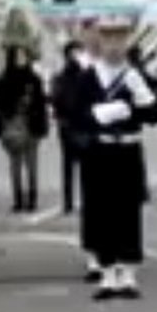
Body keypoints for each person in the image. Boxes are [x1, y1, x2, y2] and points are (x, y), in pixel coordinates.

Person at [70, 15, 157, 300]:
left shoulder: (135, 74)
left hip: (127, 150)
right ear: (100, 40)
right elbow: (75, 115)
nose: (114, 45)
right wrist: (99, 114)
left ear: (127, 41)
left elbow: (155, 115)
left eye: (120, 38)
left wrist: (145, 97)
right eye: (109, 38)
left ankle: (128, 272)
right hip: (100, 152)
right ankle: (108, 271)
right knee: (102, 210)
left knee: (127, 209)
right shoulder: (88, 76)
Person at [0, 46, 49, 213]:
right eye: (17, 56)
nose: (21, 59)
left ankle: (32, 198)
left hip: (31, 125)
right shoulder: (4, 79)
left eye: (24, 55)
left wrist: (41, 125)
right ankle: (17, 199)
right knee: (15, 165)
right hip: (12, 125)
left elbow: (41, 104)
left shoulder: (35, 79)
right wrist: (1, 124)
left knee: (32, 164)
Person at [51, 41, 87, 216]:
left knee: (80, 165)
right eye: (74, 53)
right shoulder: (62, 77)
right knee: (69, 165)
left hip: (78, 125)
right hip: (70, 125)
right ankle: (68, 201)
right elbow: (56, 100)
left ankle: (74, 201)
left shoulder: (84, 75)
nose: (76, 57)